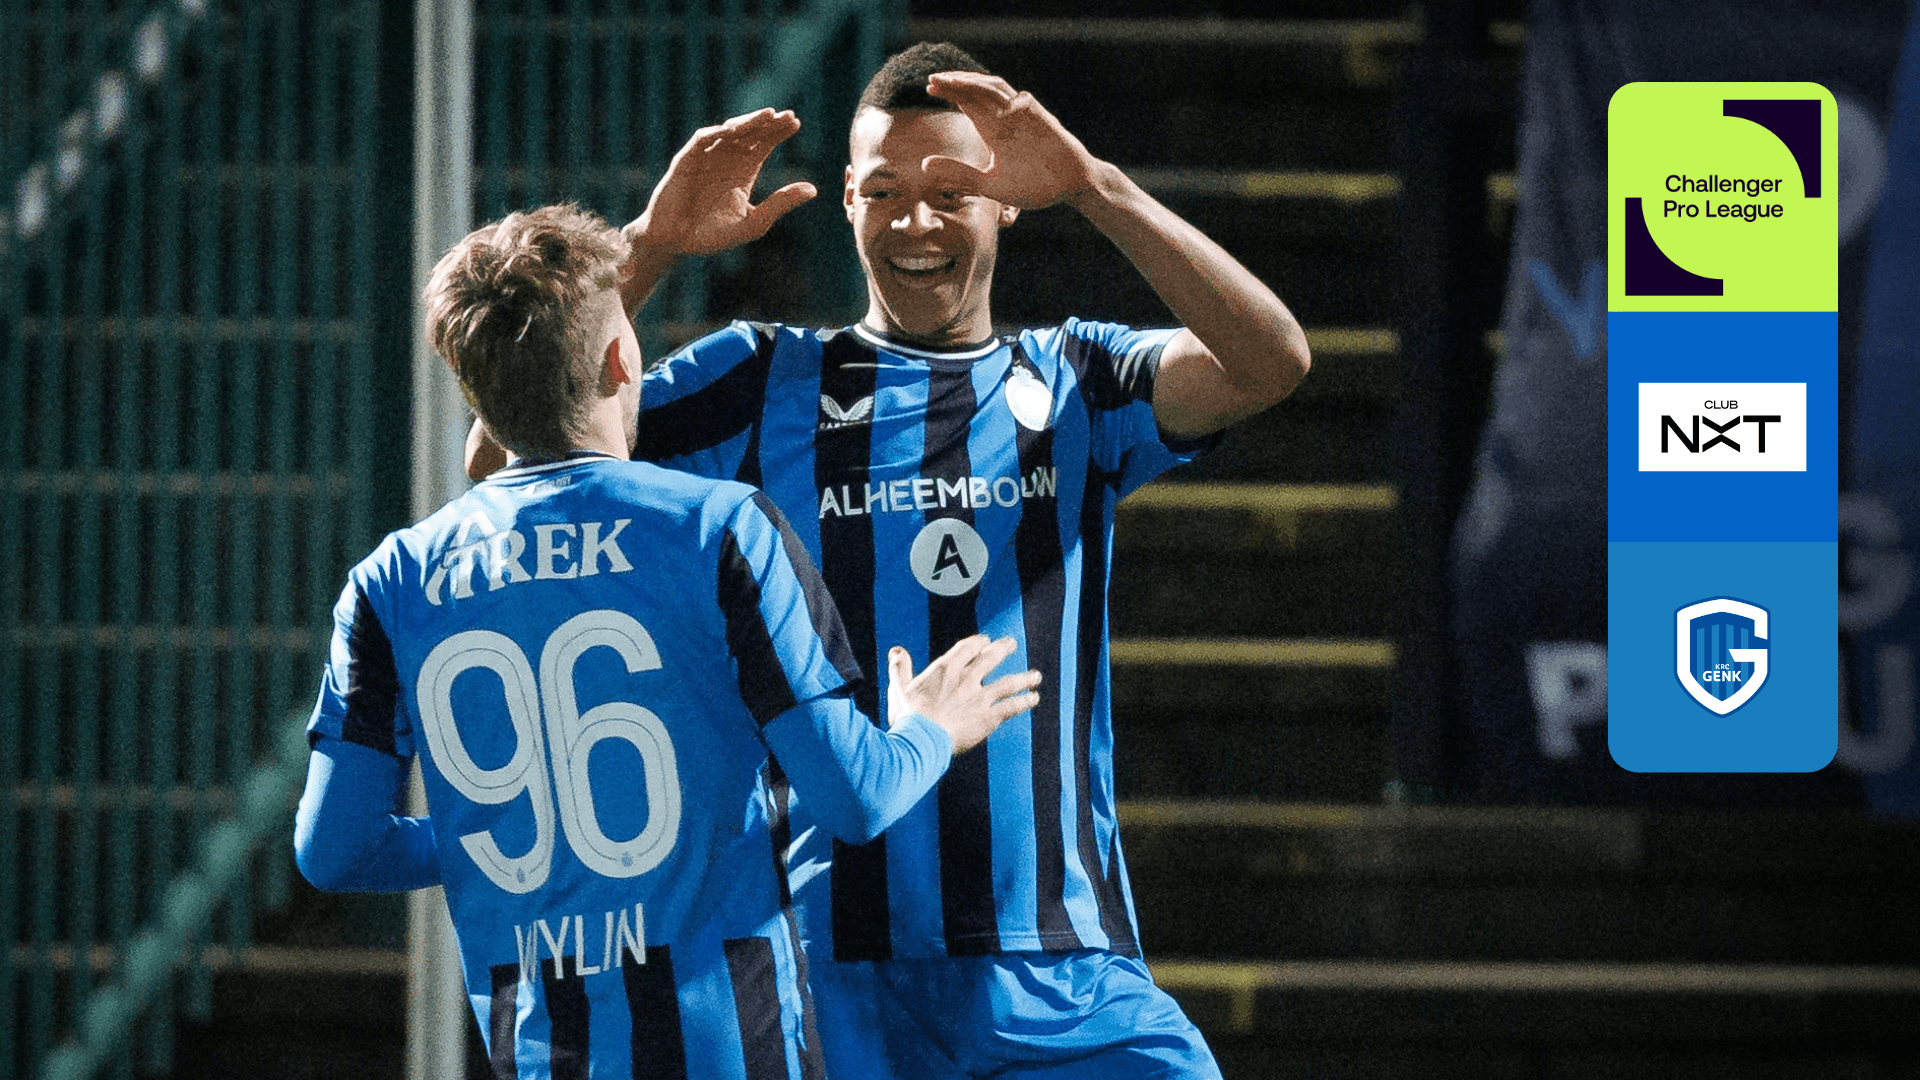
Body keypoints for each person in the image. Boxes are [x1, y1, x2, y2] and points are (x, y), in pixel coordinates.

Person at [471, 40, 1311, 1080]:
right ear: (849, 204)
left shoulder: (1077, 381)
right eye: (885, 193)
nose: (916, 222)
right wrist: (648, 247)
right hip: (830, 972)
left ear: (1006, 203)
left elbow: (1271, 361)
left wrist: (1094, 187)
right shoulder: (762, 382)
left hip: (1059, 966)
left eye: (951, 193)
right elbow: (509, 466)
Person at [294, 202, 1042, 1080]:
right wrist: (929, 728)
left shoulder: (390, 581)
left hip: (541, 1053)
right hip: (730, 1047)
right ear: (622, 359)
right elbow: (855, 797)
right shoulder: (720, 529)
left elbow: (334, 850)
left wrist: (493, 829)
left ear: (476, 394)